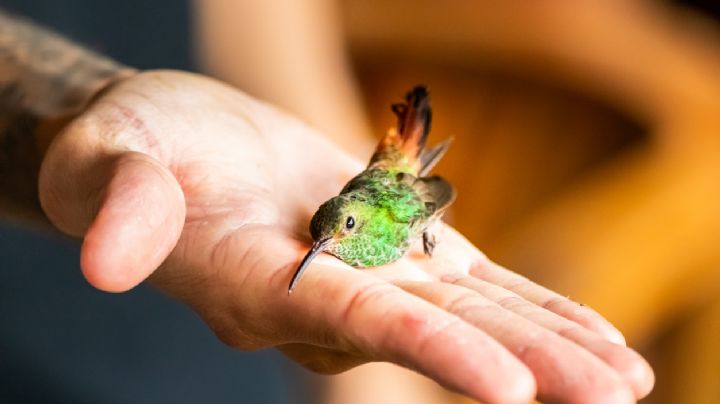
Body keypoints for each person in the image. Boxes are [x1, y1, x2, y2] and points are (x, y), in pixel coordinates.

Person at [0, 9, 654, 404]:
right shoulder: (335, 225)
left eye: (333, 234)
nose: (322, 249)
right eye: (322, 238)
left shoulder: (380, 220)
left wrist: (373, 381)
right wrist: (72, 107)